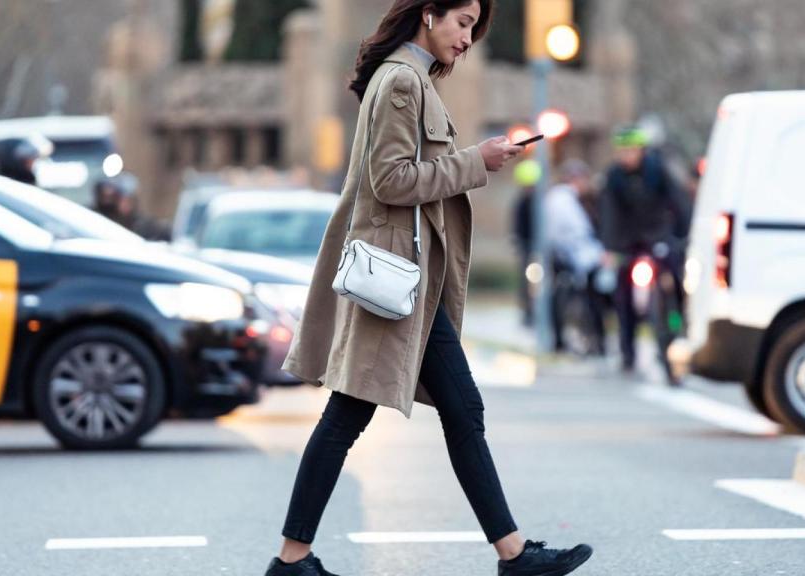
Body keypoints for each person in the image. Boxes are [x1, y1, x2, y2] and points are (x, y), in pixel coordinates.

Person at [270, 2, 594, 575]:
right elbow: (389, 179)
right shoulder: (401, 82)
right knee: (349, 416)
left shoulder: (410, 79)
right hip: (392, 282)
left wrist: (478, 160)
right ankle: (292, 559)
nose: (468, 38)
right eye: (463, 22)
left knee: (461, 409)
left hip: (407, 283)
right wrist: (478, 161)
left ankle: (512, 553)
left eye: (474, 27)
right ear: (429, 14)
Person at [599, 126, 691, 371]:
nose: (627, 156)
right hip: (627, 241)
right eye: (623, 151)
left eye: (631, 150)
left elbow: (678, 201)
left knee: (673, 276)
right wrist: (609, 247)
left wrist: (684, 234)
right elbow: (608, 213)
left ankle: (675, 324)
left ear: (641, 150)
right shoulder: (614, 177)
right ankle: (627, 352)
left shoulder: (657, 170)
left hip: (657, 235)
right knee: (623, 295)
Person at [546, 159, 606, 354]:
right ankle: (590, 341)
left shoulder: (563, 198)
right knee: (581, 300)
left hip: (569, 257)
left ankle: (578, 340)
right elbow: (578, 231)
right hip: (572, 259)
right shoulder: (563, 199)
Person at [92, 173, 170, 242]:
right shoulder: (93, 221)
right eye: (104, 197)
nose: (108, 203)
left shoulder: (149, 228)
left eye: (114, 197)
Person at [511, 159, 541, 326]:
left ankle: (537, 311)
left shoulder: (539, 202)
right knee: (527, 282)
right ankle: (528, 312)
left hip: (538, 248)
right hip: (527, 247)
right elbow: (518, 227)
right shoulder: (522, 203)